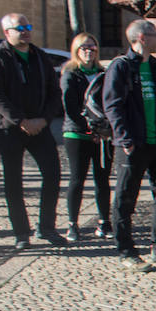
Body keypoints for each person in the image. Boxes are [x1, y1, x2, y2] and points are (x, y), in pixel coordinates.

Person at [105, 19, 156, 271]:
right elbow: (112, 105)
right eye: (154, 36)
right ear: (141, 38)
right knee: (125, 198)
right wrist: (125, 138)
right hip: (132, 144)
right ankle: (126, 251)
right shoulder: (120, 67)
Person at [0, 13, 63, 249]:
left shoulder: (40, 56)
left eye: (28, 26)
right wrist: (20, 120)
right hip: (10, 129)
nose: (26, 31)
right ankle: (21, 233)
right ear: (7, 32)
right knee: (13, 182)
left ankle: (47, 227)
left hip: (40, 126)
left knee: (52, 175)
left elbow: (53, 91)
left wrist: (45, 119)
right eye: (20, 28)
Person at [59, 34, 112, 241]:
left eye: (92, 47)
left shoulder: (102, 73)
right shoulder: (70, 74)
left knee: (103, 179)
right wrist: (89, 130)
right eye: (84, 47)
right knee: (77, 179)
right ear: (76, 50)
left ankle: (104, 222)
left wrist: (103, 130)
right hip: (77, 134)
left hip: (102, 135)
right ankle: (72, 223)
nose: (89, 51)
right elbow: (70, 106)